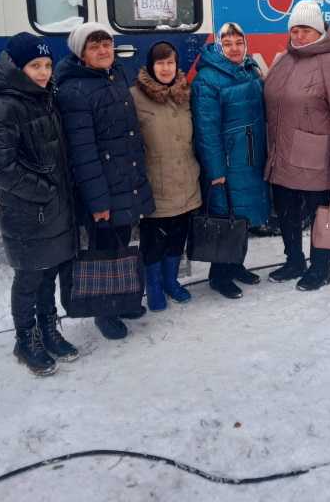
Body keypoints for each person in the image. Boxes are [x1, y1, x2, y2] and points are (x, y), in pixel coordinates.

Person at [0, 32, 78, 376]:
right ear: (17, 67)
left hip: (52, 207)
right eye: (35, 65)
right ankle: (25, 340)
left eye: (47, 65)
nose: (43, 72)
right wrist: (44, 191)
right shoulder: (5, 106)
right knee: (29, 278)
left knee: (49, 271)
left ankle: (48, 330)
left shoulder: (44, 96)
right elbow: (0, 167)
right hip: (29, 210)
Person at [55, 23, 155, 340]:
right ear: (81, 54)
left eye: (107, 44)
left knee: (121, 244)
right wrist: (98, 202)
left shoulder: (115, 75)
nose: (103, 50)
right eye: (94, 46)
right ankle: (104, 311)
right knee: (103, 248)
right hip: (103, 187)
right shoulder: (74, 91)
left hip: (123, 179)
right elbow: (82, 153)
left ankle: (121, 300)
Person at [264, 0, 330, 291]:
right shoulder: (284, 59)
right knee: (287, 213)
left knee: (321, 215)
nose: (299, 36)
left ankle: (321, 268)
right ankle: (294, 261)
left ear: (319, 31)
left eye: (306, 30)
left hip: (316, 158)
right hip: (281, 155)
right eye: (295, 30)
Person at [191, 22, 270, 299]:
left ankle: (236, 265)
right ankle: (219, 276)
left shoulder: (249, 69)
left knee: (242, 216)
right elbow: (206, 129)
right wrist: (215, 170)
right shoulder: (207, 79)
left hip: (249, 156)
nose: (235, 49)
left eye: (239, 43)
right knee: (225, 216)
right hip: (227, 161)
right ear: (218, 46)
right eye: (227, 44)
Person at [131, 41, 201, 311]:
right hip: (154, 182)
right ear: (151, 66)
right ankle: (154, 286)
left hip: (186, 178)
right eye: (160, 63)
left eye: (170, 62)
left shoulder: (185, 93)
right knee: (153, 240)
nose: (165, 68)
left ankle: (171, 281)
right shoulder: (135, 96)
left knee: (177, 236)